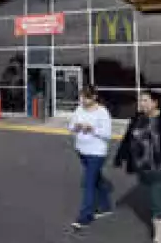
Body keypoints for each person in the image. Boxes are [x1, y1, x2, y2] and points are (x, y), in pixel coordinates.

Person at [114, 91, 161, 243]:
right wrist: (120, 156)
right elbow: (128, 138)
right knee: (159, 197)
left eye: (145, 100)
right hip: (144, 167)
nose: (142, 103)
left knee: (157, 199)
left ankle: (159, 236)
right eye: (140, 101)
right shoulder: (137, 118)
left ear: (155, 103)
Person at [68, 85, 113, 230]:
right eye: (81, 97)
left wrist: (92, 129)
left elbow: (107, 134)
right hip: (82, 150)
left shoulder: (102, 112)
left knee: (88, 183)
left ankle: (84, 217)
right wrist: (76, 127)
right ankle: (105, 206)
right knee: (96, 178)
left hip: (96, 152)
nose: (83, 100)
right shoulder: (79, 109)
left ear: (94, 97)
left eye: (86, 97)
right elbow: (70, 126)